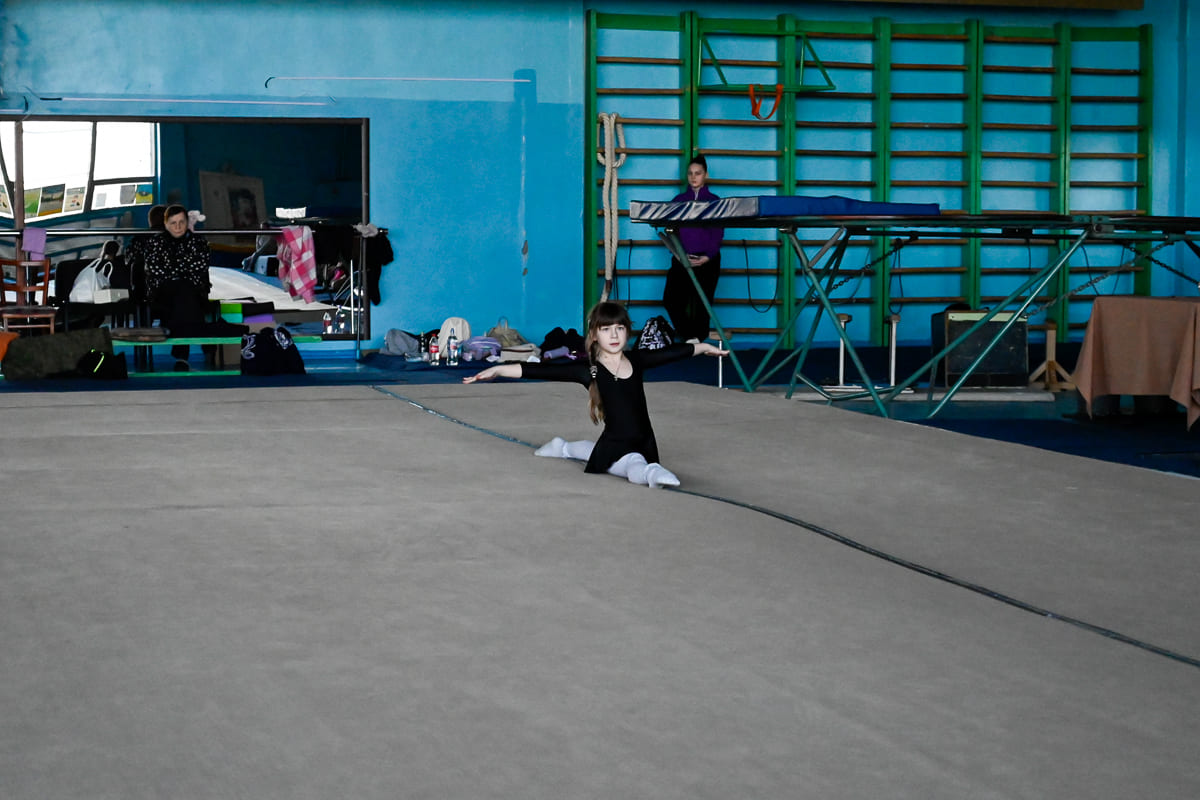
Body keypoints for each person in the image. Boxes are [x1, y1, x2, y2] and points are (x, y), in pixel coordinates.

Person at [463, 301, 726, 488]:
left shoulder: (637, 360)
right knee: (632, 463)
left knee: (594, 451)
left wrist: (704, 347)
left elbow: (672, 353)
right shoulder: (588, 370)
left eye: (619, 328)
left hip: (644, 439)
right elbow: (542, 369)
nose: (614, 335)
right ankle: (650, 474)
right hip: (616, 442)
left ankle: (562, 447)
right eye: (606, 329)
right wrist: (498, 369)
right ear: (595, 335)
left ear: (627, 331)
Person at [141, 204, 213, 370]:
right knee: (184, 292)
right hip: (164, 292)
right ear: (166, 224)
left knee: (184, 292)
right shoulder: (155, 243)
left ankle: (182, 355)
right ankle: (204, 342)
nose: (178, 227)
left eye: (181, 222)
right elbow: (155, 270)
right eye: (173, 223)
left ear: (187, 222)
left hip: (190, 291)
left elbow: (200, 266)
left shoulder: (199, 242)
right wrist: (183, 268)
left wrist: (173, 269)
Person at [661, 154, 724, 343]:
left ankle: (699, 341)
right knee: (671, 299)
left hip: (708, 260)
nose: (693, 177)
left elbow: (718, 232)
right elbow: (670, 232)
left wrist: (708, 257)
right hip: (682, 259)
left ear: (706, 175)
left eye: (698, 173)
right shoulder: (678, 200)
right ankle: (690, 338)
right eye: (690, 173)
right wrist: (679, 256)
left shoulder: (714, 201)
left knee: (703, 303)